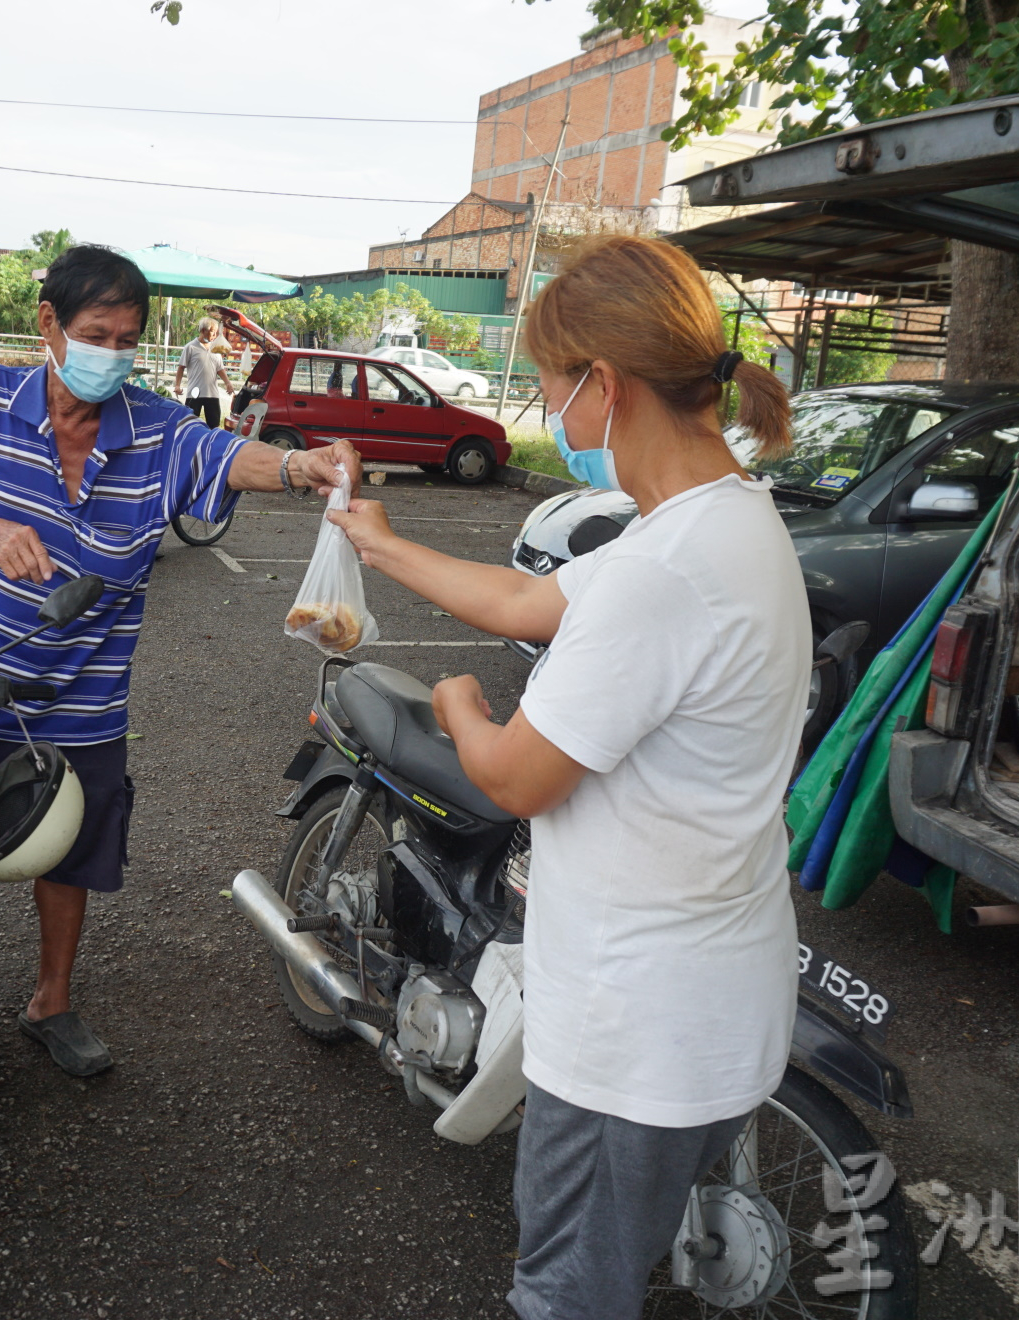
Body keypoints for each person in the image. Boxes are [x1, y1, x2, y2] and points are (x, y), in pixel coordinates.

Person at [327, 234, 805, 1319]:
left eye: (550, 382)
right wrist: (379, 543)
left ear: (605, 383)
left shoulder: (661, 570)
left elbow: (513, 779)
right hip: (712, 993)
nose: (547, 407)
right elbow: (523, 601)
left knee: (568, 1296)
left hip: (635, 1029)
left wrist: (458, 703)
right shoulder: (724, 519)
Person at [0, 245, 360, 1077]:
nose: (111, 356)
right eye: (95, 335)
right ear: (49, 324)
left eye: (127, 341)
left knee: (71, 848)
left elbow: (226, 459)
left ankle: (52, 1000)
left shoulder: (154, 427)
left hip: (89, 694)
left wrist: (301, 465)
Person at [172, 316, 232, 429]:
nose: (215, 335)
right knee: (189, 424)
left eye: (216, 333)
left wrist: (228, 383)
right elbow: (181, 367)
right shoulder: (190, 347)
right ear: (203, 330)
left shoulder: (216, 348)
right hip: (194, 392)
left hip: (212, 393)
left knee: (214, 426)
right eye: (213, 332)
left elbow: (220, 369)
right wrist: (177, 385)